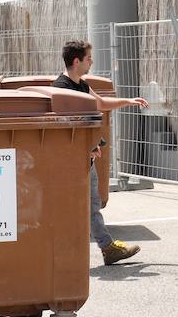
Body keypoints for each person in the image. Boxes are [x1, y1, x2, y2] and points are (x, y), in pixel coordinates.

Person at [53, 39, 150, 266]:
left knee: (92, 204)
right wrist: (86, 147)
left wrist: (128, 101)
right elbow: (66, 127)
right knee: (73, 207)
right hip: (71, 160)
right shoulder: (62, 89)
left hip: (85, 157)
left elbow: (100, 104)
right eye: (88, 58)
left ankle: (106, 248)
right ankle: (64, 255)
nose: (92, 62)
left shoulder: (81, 85)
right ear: (76, 61)